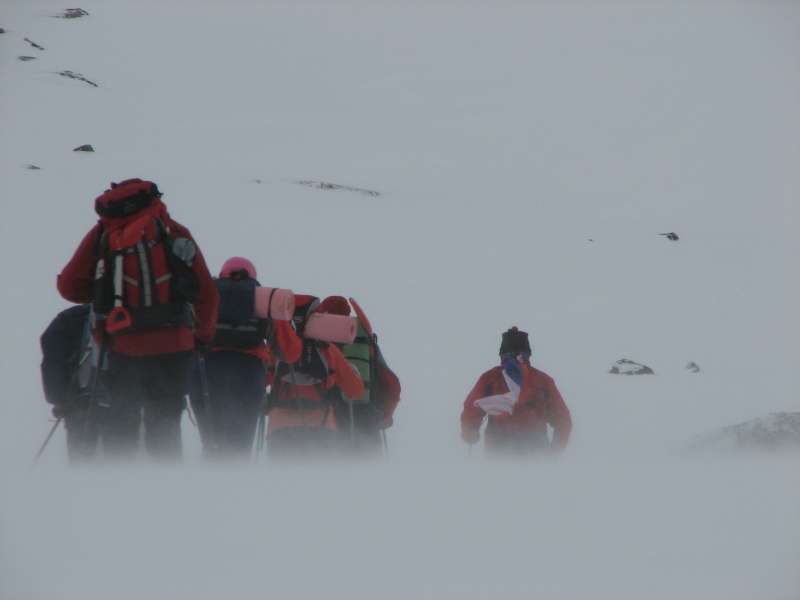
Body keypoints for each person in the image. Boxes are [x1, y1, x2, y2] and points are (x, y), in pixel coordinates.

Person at [57, 178, 219, 460]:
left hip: (122, 344)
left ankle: (122, 489)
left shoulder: (103, 234)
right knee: (165, 421)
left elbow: (69, 287)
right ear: (155, 199)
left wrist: (98, 293)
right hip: (175, 345)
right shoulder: (176, 232)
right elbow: (207, 295)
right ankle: (164, 489)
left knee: (122, 419)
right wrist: (202, 336)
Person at [187, 257, 301, 459]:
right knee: (239, 445)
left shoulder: (204, 296)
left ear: (222, 274)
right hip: (247, 374)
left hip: (204, 371)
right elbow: (289, 352)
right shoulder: (264, 300)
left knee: (210, 442)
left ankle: (206, 486)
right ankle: (236, 486)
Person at [265, 295, 364, 460]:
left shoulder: (274, 349)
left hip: (280, 428)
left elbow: (260, 381)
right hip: (322, 428)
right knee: (319, 482)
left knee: (281, 482)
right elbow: (355, 392)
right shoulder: (328, 349)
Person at [461, 327, 572, 456]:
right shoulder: (543, 380)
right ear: (528, 354)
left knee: (497, 476)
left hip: (497, 447)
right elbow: (562, 418)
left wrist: (470, 435)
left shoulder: (490, 378)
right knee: (535, 475)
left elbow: (471, 409)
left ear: (502, 354)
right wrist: (555, 450)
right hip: (536, 448)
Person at [329, 296, 401, 457]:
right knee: (369, 476)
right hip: (366, 417)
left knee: (329, 474)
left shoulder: (315, 341)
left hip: (327, 419)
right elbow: (391, 384)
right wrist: (384, 416)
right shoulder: (365, 342)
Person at [39, 304, 105, 462]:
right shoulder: (138, 314)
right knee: (126, 461)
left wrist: (59, 399)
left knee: (82, 463)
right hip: (131, 403)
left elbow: (54, 360)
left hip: (79, 405)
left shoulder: (69, 319)